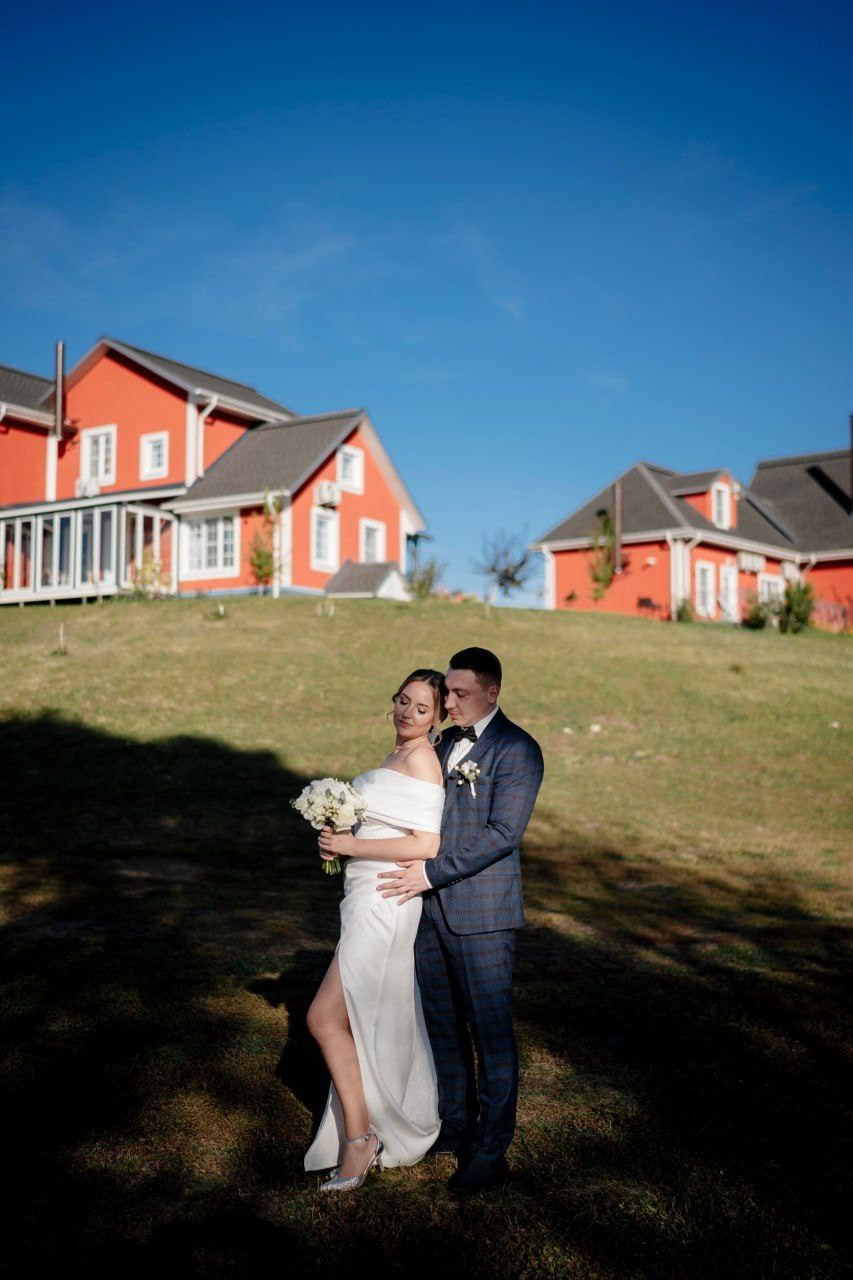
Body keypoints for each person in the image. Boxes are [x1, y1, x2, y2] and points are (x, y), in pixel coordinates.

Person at [378, 647, 544, 1194]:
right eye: (446, 692)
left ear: (491, 692)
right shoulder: (444, 742)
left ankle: (491, 1150)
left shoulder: (518, 750)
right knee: (442, 1025)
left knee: (490, 1033)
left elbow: (503, 834)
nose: (448, 702)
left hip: (483, 915)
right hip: (428, 913)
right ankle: (455, 1124)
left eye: (459, 693)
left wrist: (429, 872)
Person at [303, 669, 447, 1191]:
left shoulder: (423, 761)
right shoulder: (395, 755)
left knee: (323, 1017)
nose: (407, 713)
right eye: (403, 701)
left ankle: (360, 1140)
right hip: (362, 894)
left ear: (437, 718)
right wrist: (338, 833)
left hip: (386, 901)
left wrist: (352, 846)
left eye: (422, 708)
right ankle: (363, 1131)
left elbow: (426, 844)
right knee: (357, 1016)